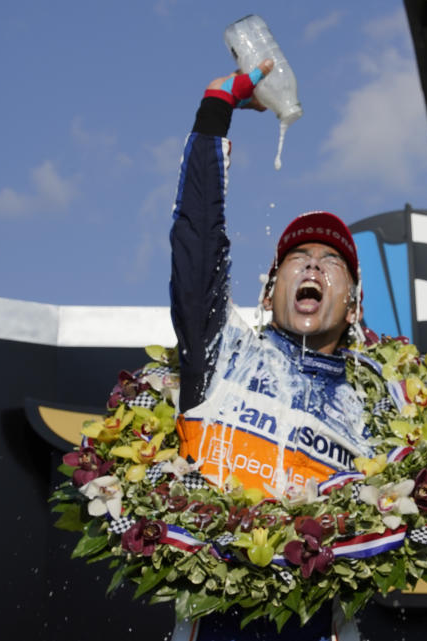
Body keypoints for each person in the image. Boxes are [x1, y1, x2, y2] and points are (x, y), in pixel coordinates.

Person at [168, 61, 366, 641]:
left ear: (353, 307)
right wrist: (216, 108)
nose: (312, 264)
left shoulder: (380, 410)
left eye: (331, 262)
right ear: (266, 290)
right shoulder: (221, 355)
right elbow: (198, 241)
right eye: (297, 259)